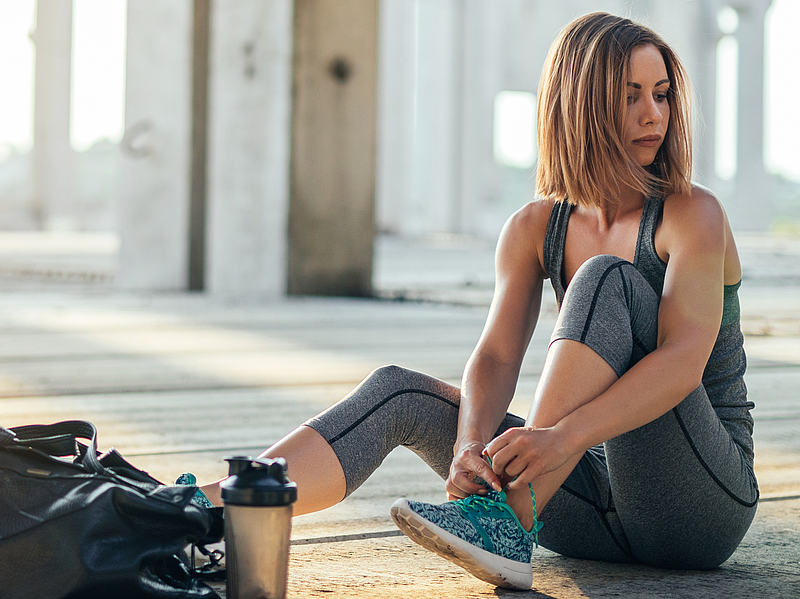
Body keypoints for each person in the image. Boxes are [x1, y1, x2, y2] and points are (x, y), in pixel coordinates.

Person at [187, 12, 758, 590]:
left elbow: (684, 363)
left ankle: (507, 521)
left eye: (661, 94)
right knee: (399, 392)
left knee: (606, 278)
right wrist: (469, 446)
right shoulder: (536, 226)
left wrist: (560, 440)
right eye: (630, 95)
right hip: (591, 510)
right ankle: (191, 514)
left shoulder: (691, 214)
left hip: (699, 505)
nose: (653, 114)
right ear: (579, 102)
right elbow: (496, 360)